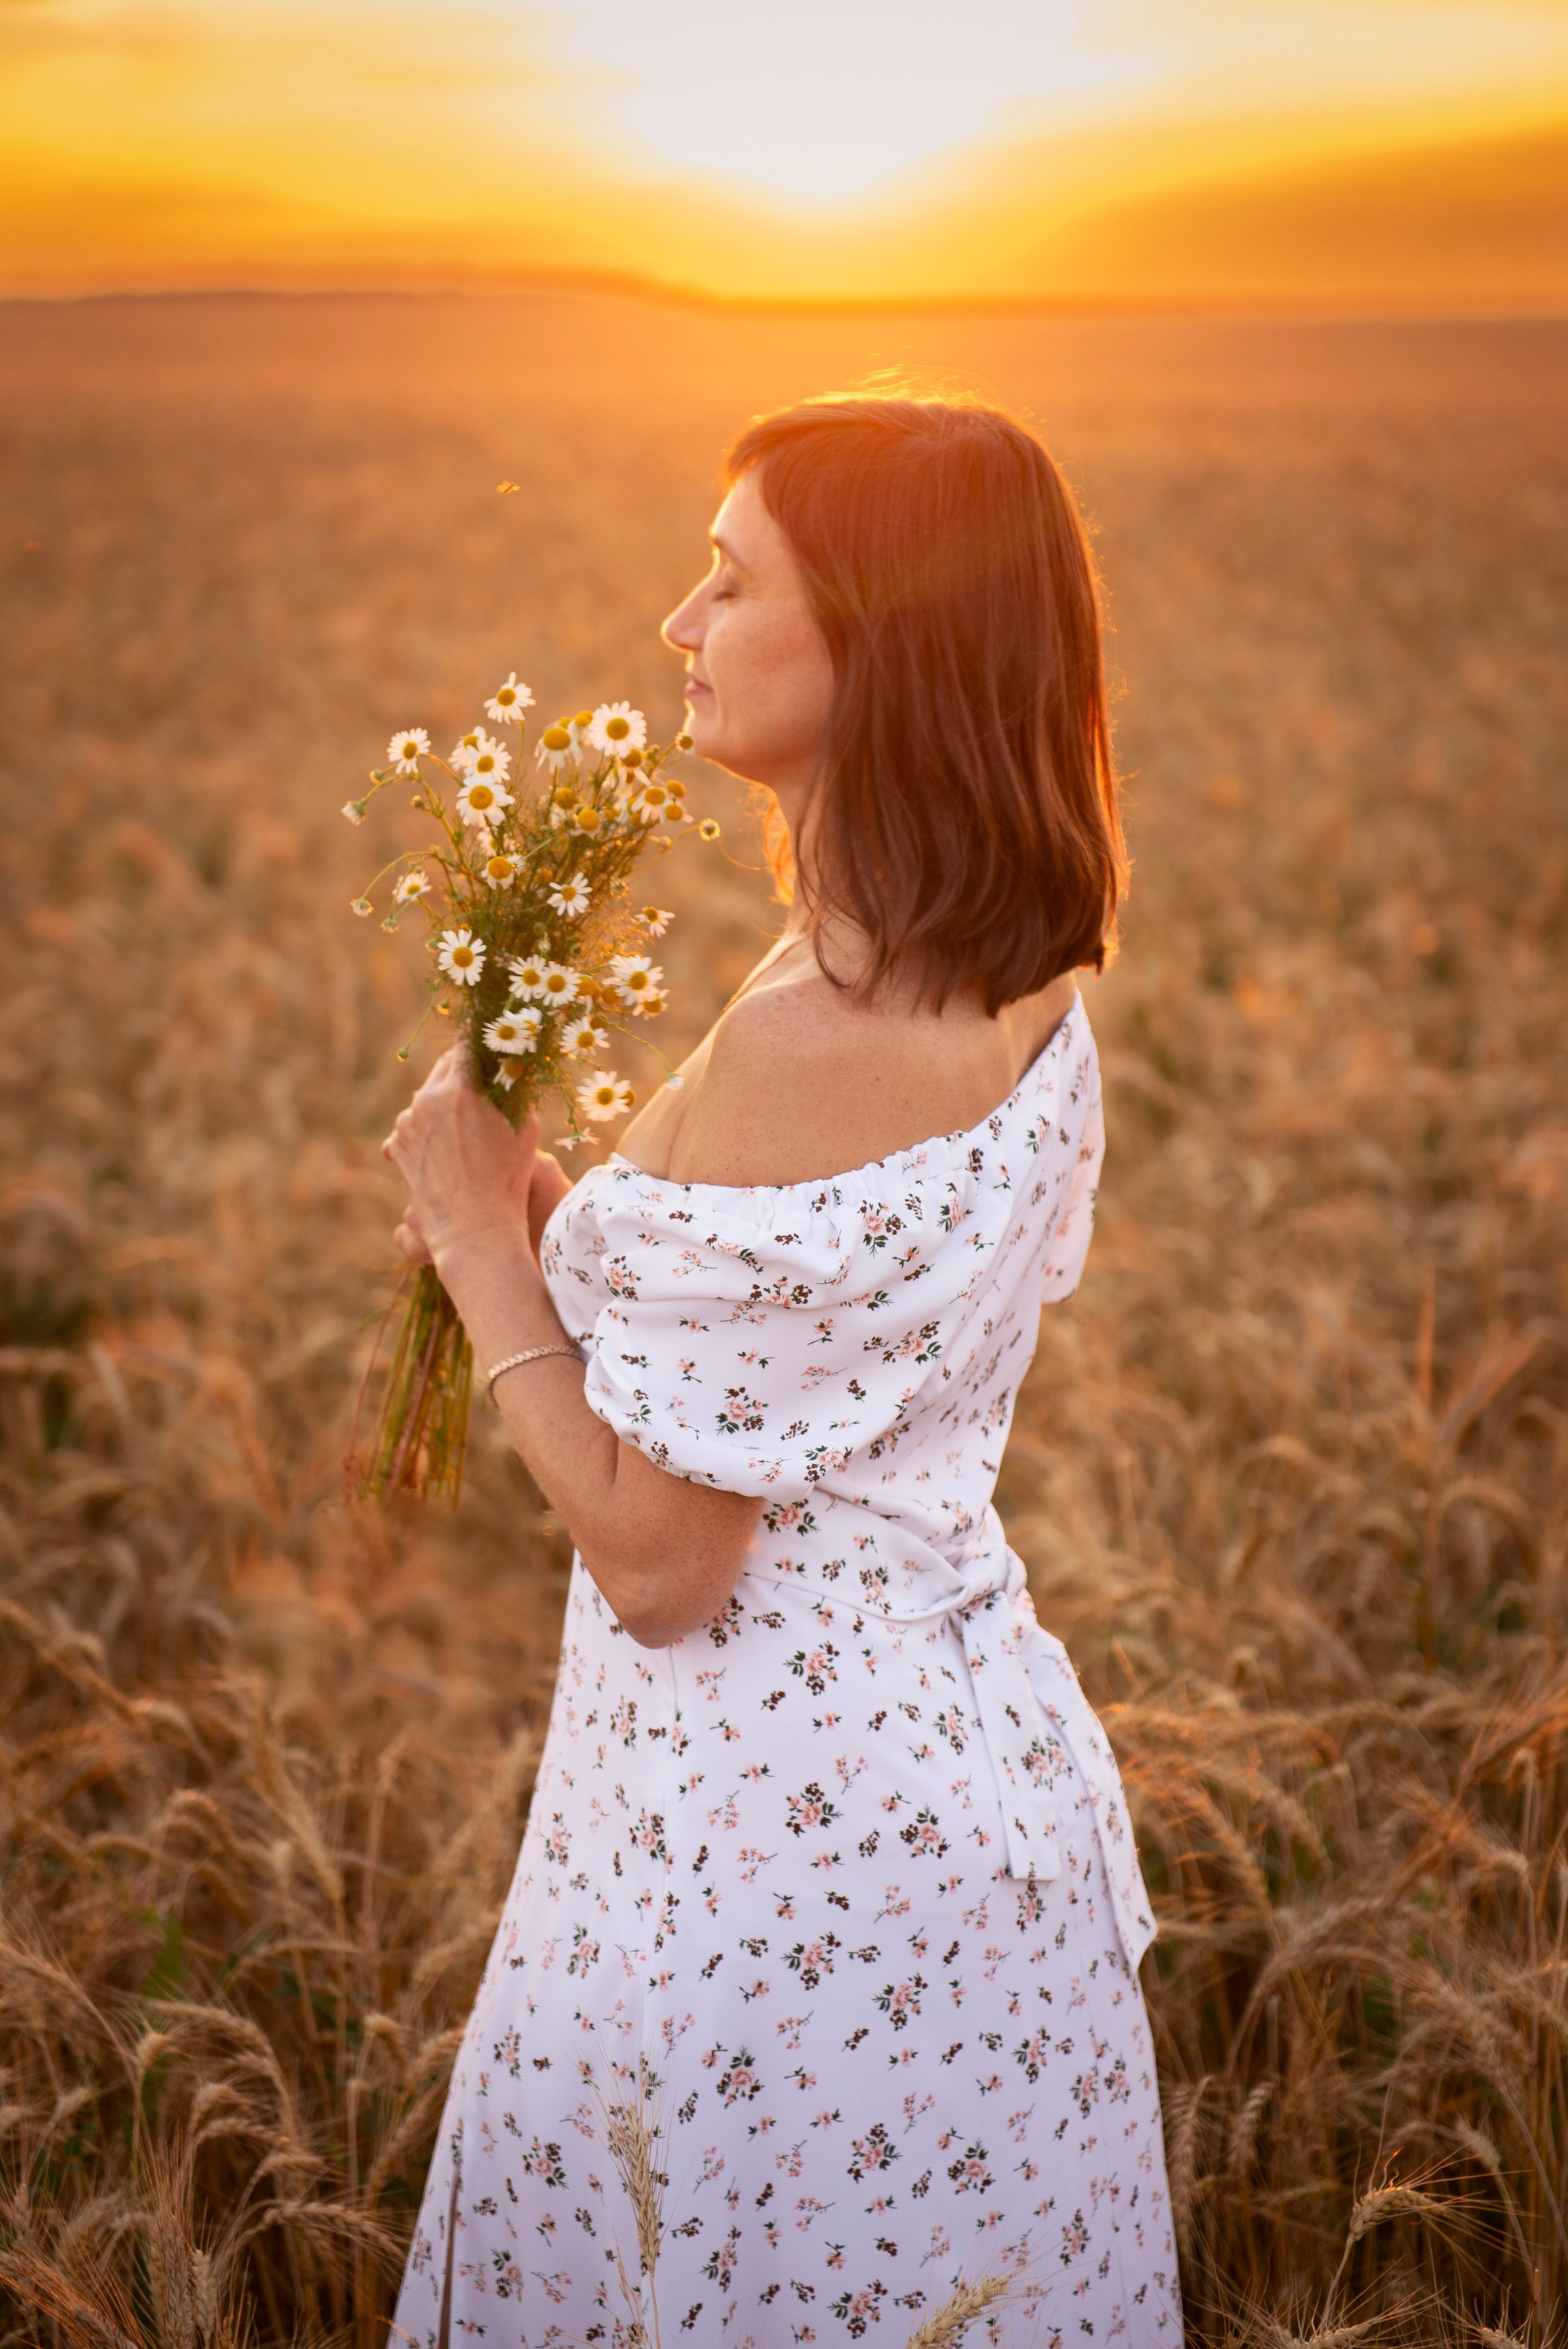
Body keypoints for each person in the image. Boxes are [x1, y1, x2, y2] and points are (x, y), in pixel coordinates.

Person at [384, 395, 1180, 2345]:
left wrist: (494, 1254)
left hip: (783, 1866)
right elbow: (839, 1352)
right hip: (959, 1808)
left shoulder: (817, 1035)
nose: (680, 620)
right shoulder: (1013, 963)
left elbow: (668, 1561)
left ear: (877, 650)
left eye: (733, 581)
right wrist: (605, 1248)